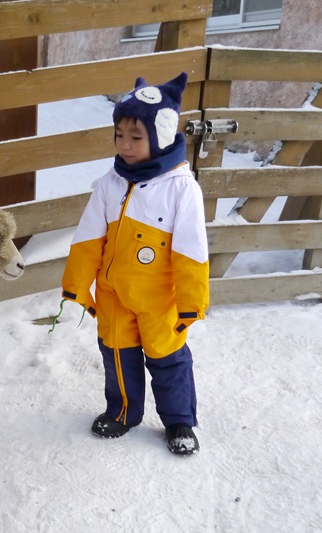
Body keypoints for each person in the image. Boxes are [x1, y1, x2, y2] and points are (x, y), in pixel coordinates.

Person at [59, 72, 209, 455]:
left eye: (135, 137)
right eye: (119, 135)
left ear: (159, 138)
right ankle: (123, 411)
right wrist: (78, 283)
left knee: (168, 359)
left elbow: (192, 249)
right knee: (117, 356)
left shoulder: (180, 188)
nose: (124, 145)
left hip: (160, 299)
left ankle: (179, 421)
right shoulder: (111, 182)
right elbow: (89, 236)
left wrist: (192, 302)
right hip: (114, 294)